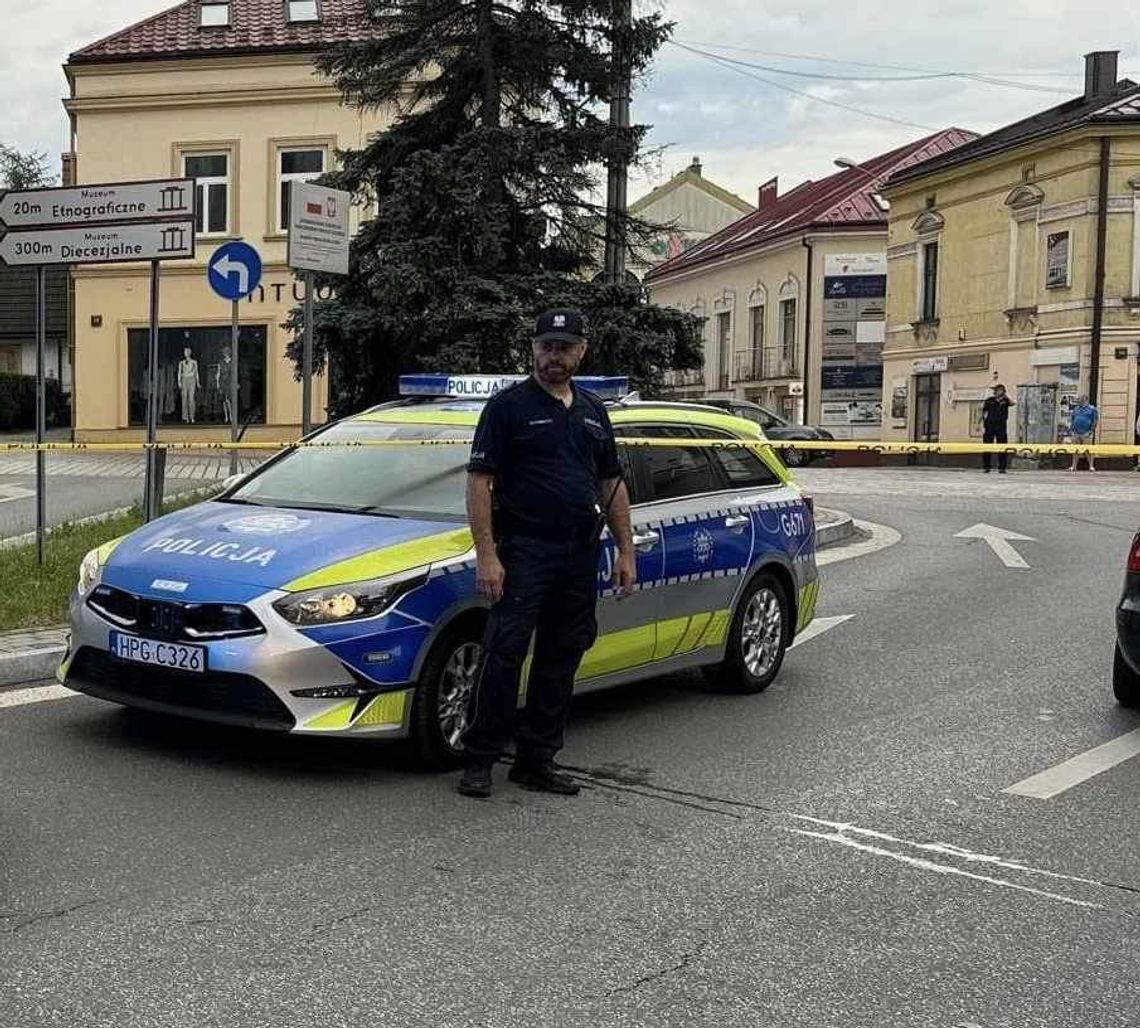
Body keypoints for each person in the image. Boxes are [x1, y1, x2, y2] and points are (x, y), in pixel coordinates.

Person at [457, 310, 636, 799]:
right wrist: (487, 556)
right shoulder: (508, 408)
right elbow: (479, 483)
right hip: (525, 551)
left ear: (581, 351)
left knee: (562, 656)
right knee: (504, 654)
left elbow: (610, 483)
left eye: (564, 347)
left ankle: (537, 759)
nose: (553, 356)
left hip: (578, 552)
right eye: (545, 346)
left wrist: (625, 549)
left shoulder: (593, 411)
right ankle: (480, 759)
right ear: (532, 349)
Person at [980, 384, 1014, 474]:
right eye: (994, 390)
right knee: (987, 446)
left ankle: (1002, 468)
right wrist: (981, 423)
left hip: (1001, 426)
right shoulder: (989, 400)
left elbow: (1012, 403)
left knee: (1002, 447)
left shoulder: (1005, 401)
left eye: (997, 390)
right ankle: (986, 467)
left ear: (1002, 391)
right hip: (989, 426)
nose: (995, 391)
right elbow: (984, 412)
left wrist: (1005, 396)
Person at [1068, 394, 1099, 472]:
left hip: (1087, 432)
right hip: (1076, 432)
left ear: (1086, 400)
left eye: (1081, 400)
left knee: (1088, 450)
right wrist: (1072, 429)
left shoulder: (1092, 409)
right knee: (1075, 450)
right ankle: (1074, 466)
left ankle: (1091, 466)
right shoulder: (1076, 409)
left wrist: (1091, 431)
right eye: (1079, 400)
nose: (1080, 402)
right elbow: (1073, 419)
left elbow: (1095, 421)